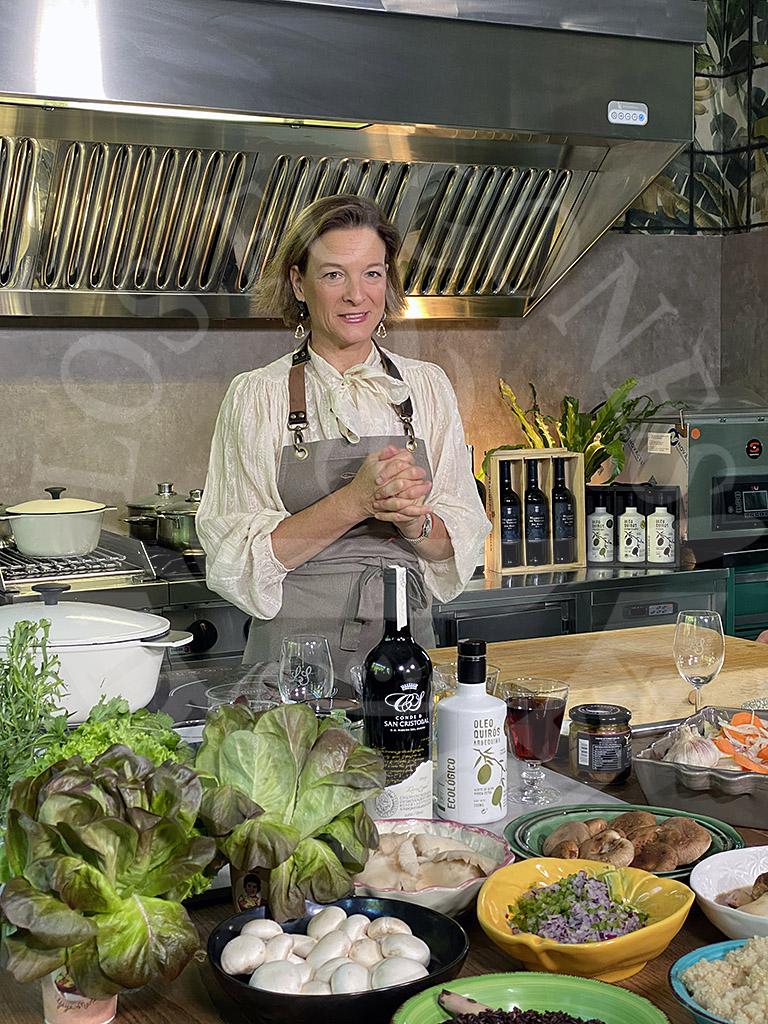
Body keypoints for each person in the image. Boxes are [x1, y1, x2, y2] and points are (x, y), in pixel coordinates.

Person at [197, 194, 490, 686]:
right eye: (334, 275)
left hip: (405, 655)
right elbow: (237, 563)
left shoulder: (427, 386)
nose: (357, 295)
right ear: (299, 283)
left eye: (371, 273)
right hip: (293, 662)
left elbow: (453, 549)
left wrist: (414, 521)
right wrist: (356, 501)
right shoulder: (257, 395)